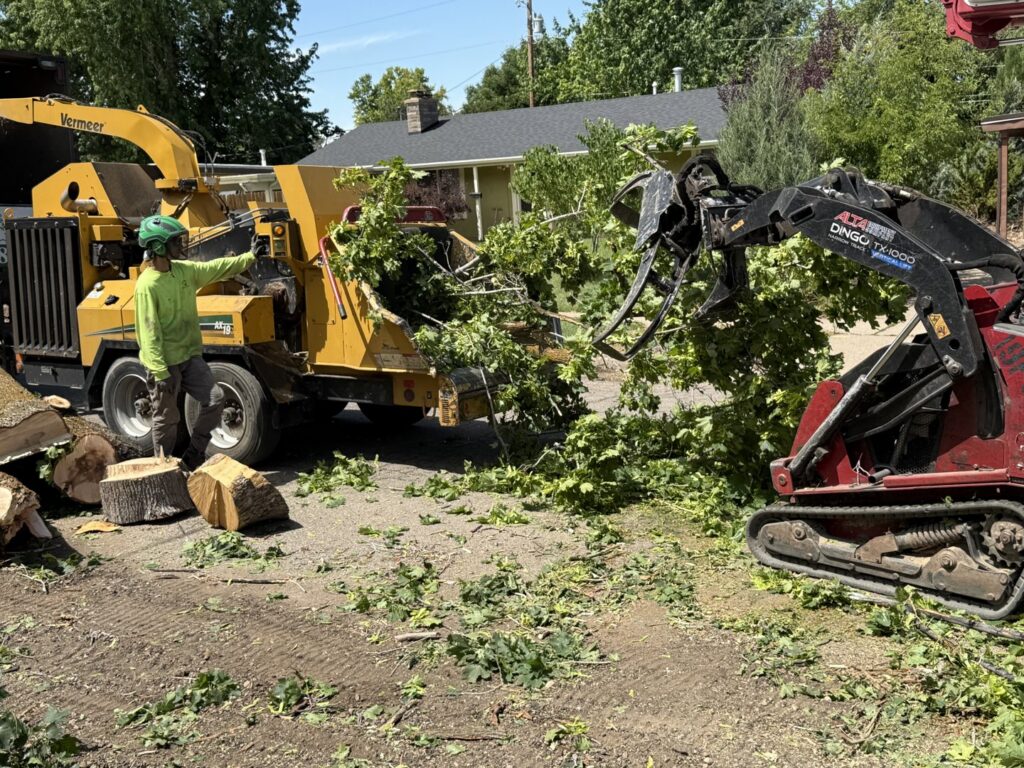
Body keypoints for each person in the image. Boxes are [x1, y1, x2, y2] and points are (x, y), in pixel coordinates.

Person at [134, 214, 255, 470]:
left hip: (189, 358)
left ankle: (194, 453)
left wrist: (250, 256)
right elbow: (148, 333)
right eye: (176, 243)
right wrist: (160, 372)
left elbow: (216, 267)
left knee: (215, 399)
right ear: (157, 247)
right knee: (167, 420)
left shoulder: (184, 271)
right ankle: (163, 470)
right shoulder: (147, 285)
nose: (181, 246)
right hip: (164, 364)